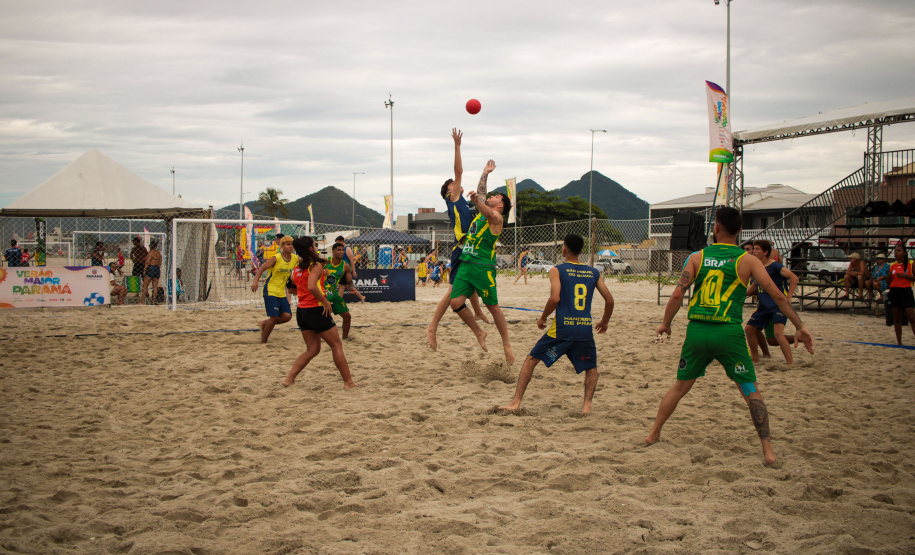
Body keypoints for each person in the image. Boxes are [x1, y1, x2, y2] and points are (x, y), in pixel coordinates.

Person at [645, 206, 814, 467]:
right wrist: (800, 326)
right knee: (750, 391)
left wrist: (665, 324)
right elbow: (778, 296)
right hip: (729, 333)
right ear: (740, 231)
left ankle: (653, 433)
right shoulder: (747, 260)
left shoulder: (697, 256)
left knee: (679, 388)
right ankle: (768, 451)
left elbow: (678, 294)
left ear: (715, 228)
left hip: (698, 331)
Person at [498, 234, 614, 415]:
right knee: (591, 368)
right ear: (582, 251)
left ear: (563, 250)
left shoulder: (557, 270)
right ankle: (586, 406)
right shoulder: (594, 272)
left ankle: (516, 402)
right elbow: (610, 301)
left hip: (562, 329)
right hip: (584, 329)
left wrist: (543, 318)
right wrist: (605, 321)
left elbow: (554, 298)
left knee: (531, 360)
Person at [426, 128, 490, 350]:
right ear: (448, 190)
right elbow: (459, 170)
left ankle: (479, 314)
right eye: (453, 182)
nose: (457, 181)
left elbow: (481, 205)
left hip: (469, 249)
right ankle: (432, 327)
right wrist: (457, 146)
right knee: (453, 292)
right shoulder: (452, 199)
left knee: (467, 285)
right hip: (460, 249)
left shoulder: (464, 202)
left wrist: (483, 181)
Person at [449, 159, 516, 365]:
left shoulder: (496, 217)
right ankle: (479, 331)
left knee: (493, 308)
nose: (492, 196)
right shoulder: (483, 210)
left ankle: (507, 344)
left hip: (482, 267)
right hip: (466, 263)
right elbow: (482, 193)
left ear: (500, 205)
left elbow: (485, 208)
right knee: (456, 303)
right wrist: (485, 172)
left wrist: (477, 201)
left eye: (496, 196)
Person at [282, 236, 356, 389]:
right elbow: (311, 286)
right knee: (336, 346)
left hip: (302, 311)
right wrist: (324, 300)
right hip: (316, 309)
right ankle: (348, 382)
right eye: (314, 245)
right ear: (310, 248)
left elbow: (291, 289)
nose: (316, 247)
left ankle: (289, 379)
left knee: (313, 349)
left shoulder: (297, 267)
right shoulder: (315, 265)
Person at [744, 239, 799, 364]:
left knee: (777, 334)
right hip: (764, 306)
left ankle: (790, 363)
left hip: (778, 305)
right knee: (749, 329)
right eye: (754, 249)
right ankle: (755, 358)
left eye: (757, 249)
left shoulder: (774, 265)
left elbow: (794, 277)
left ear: (765, 252)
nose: (754, 251)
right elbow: (754, 287)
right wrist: (738, 295)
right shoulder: (757, 267)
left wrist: (789, 296)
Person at [251, 235, 298, 344]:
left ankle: (263, 323)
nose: (291, 246)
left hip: (281, 292)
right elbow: (262, 268)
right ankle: (263, 342)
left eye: (292, 244)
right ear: (282, 246)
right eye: (288, 244)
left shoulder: (295, 258)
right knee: (274, 316)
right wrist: (255, 282)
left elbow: (305, 263)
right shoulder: (276, 258)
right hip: (270, 290)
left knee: (287, 316)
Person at [325, 242, 366, 340]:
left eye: (342, 250)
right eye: (338, 250)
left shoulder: (345, 266)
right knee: (325, 318)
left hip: (334, 295)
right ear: (333, 251)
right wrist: (322, 273)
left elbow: (349, 282)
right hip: (322, 294)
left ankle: (345, 339)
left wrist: (352, 288)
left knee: (347, 316)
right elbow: (313, 275)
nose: (341, 252)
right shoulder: (325, 262)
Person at [887, 243, 915, 345]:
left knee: (911, 318)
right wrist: (888, 277)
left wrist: (904, 275)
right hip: (894, 291)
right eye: (895, 250)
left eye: (899, 250)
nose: (896, 252)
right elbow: (889, 283)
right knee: (897, 318)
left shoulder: (911, 263)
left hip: (906, 290)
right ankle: (899, 342)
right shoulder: (892, 265)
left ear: (904, 253)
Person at [141, 240, 163, 305]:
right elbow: (160, 263)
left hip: (151, 268)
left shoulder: (151, 253)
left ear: (151, 246)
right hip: (157, 268)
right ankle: (153, 301)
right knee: (155, 286)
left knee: (145, 285)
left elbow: (147, 262)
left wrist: (144, 270)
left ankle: (142, 300)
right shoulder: (158, 254)